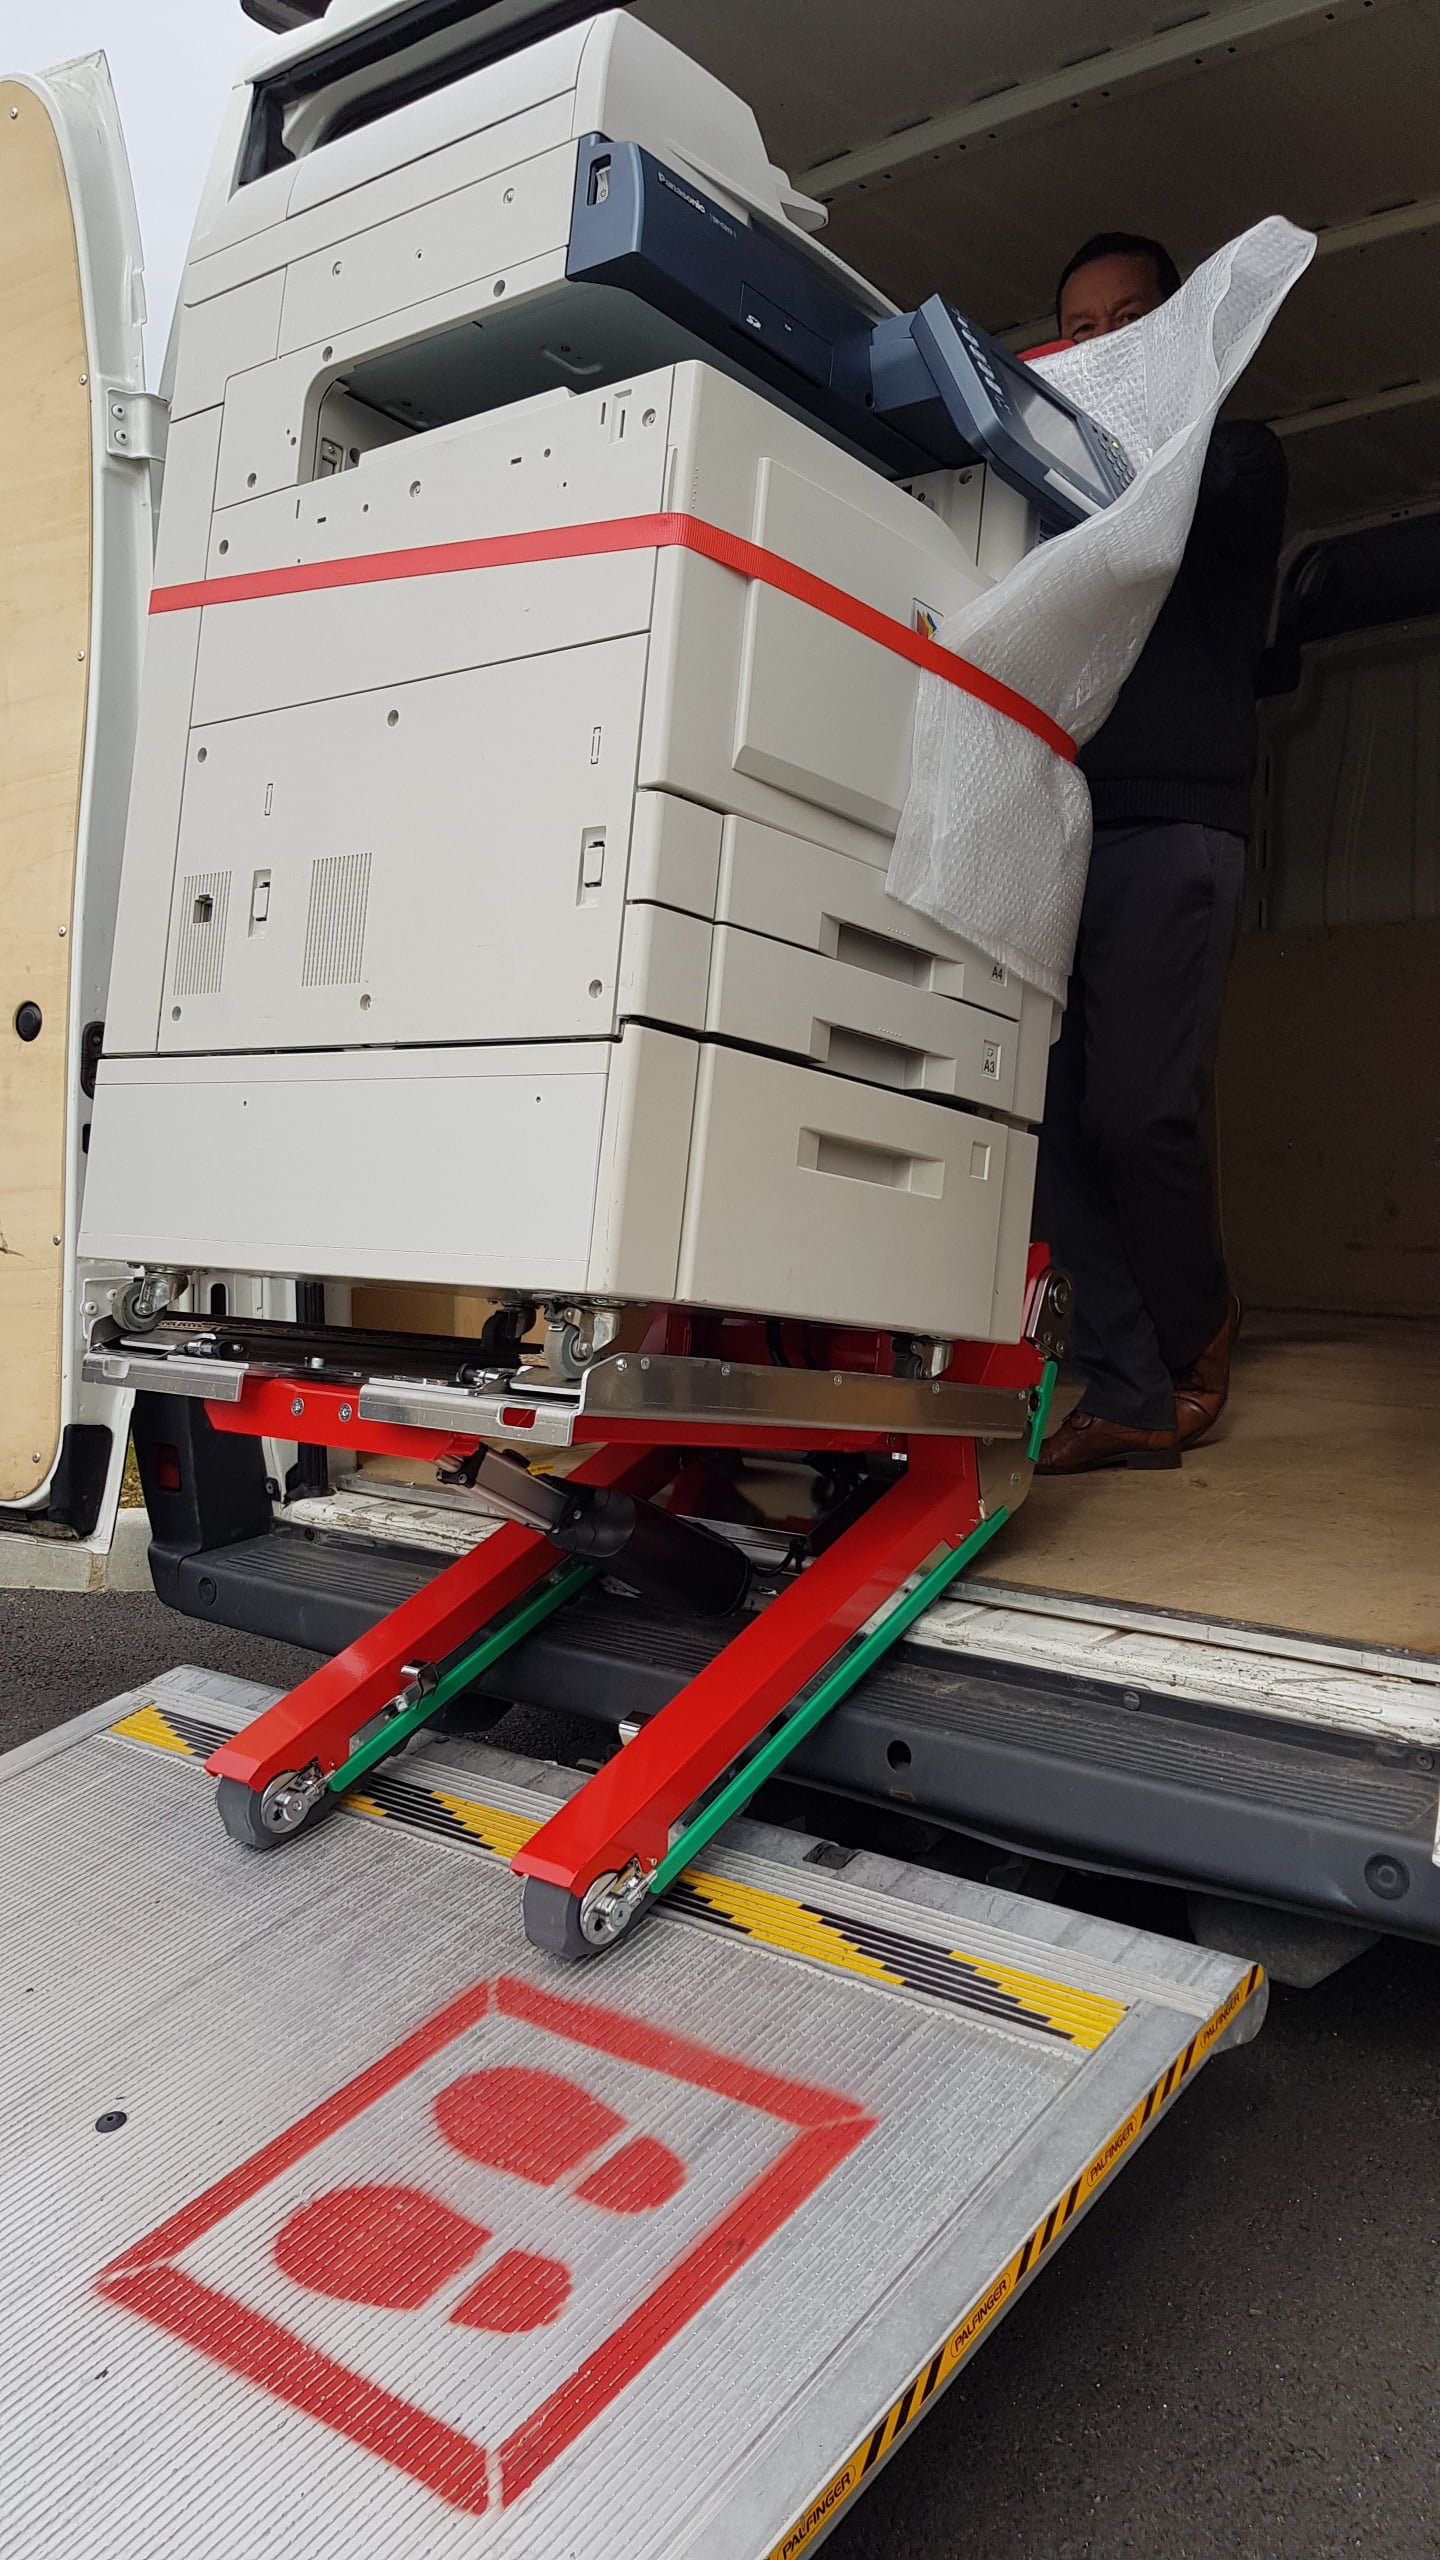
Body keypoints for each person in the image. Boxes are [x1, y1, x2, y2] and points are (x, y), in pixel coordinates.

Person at [1035, 231, 1287, 1473]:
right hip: (1062, 823)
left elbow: (1190, 495)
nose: (1102, 347)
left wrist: (1120, 410)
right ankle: (1127, 1383)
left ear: (1178, 328)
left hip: (1175, 820)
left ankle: (1200, 1328)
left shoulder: (1236, 456)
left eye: (1128, 320)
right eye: (1076, 332)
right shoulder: (1044, 492)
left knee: (1140, 1113)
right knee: (1043, 1118)